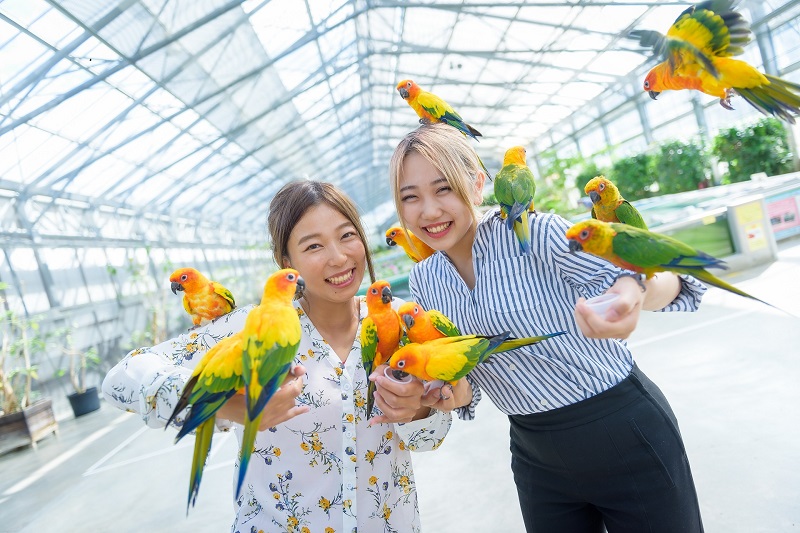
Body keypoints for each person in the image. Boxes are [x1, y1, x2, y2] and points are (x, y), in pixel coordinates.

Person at [386, 123, 708, 533]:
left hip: (623, 431)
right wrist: (444, 392)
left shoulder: (536, 232)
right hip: (535, 455)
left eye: (443, 188)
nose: (428, 212)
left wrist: (633, 293)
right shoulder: (425, 281)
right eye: (410, 198)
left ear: (479, 184)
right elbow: (471, 383)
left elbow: (668, 282)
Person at [102, 180, 452, 533]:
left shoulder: (403, 326)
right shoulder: (251, 328)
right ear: (288, 263)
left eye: (347, 235)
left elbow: (429, 438)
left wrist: (416, 409)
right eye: (313, 245)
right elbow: (121, 378)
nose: (339, 257)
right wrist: (226, 405)